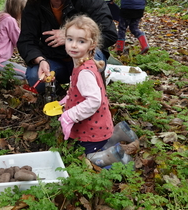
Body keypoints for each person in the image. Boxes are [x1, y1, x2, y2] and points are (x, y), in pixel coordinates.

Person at [17, 0, 118, 94]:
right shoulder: (34, 4)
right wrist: (40, 60)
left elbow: (109, 33)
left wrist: (71, 37)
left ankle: (92, 93)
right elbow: (26, 40)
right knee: (34, 76)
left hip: (85, 56)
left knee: (92, 61)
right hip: (53, 60)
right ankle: (61, 97)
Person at [57, 15, 136, 167]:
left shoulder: (84, 72)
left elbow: (94, 100)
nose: (73, 45)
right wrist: (67, 99)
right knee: (100, 140)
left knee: (89, 156)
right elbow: (79, 90)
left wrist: (70, 115)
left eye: (81, 41)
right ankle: (118, 133)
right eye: (70, 39)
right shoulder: (84, 63)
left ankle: (118, 158)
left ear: (91, 45)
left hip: (92, 127)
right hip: (100, 122)